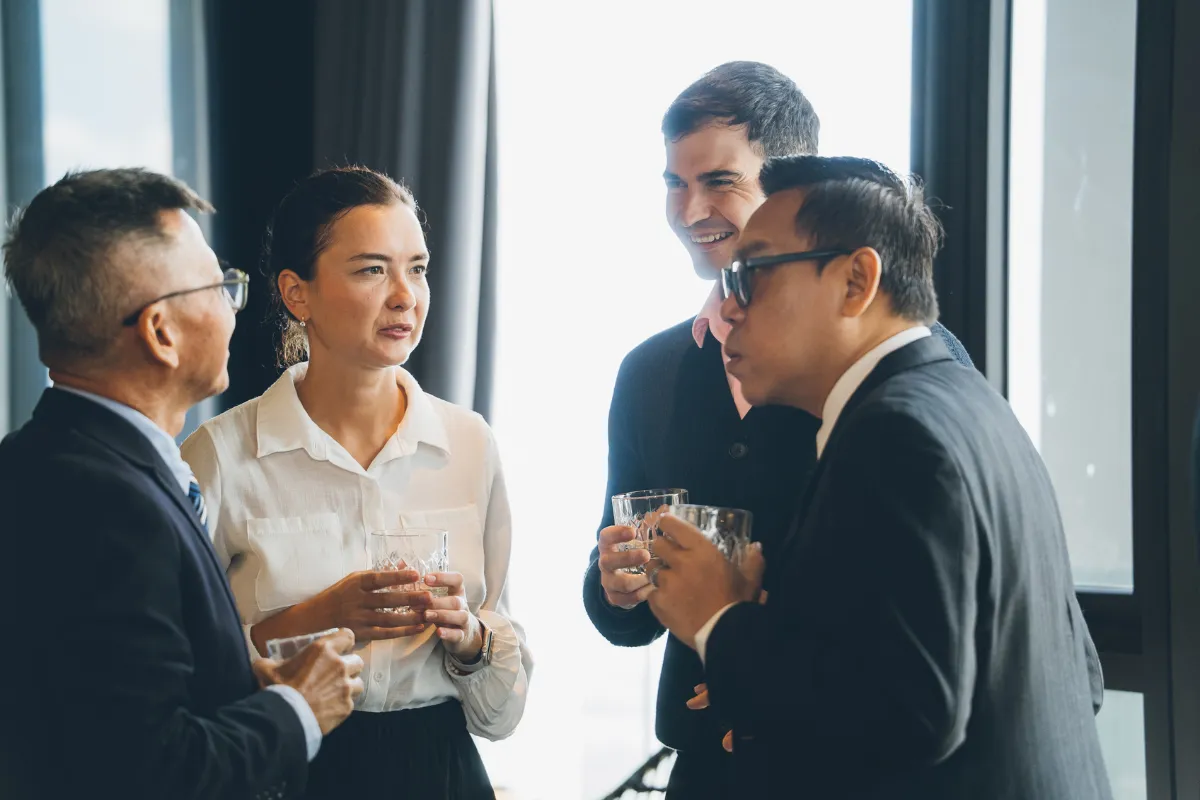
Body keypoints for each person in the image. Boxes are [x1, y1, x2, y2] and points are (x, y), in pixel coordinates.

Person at [646, 155, 1112, 798]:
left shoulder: (895, 437)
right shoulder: (971, 405)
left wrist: (718, 617)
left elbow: (907, 717)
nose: (729, 306)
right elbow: (1076, 674)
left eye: (751, 274)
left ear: (855, 281)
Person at [580, 61, 973, 797]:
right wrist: (617, 588)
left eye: (718, 181)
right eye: (674, 182)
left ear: (788, 190)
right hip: (702, 769)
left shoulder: (883, 372)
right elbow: (621, 613)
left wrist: (745, 647)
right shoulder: (650, 373)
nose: (691, 208)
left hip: (835, 764)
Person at [0, 168, 365, 799]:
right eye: (220, 285)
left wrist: (235, 683)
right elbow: (152, 771)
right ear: (161, 333)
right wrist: (301, 709)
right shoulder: (105, 504)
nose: (232, 304)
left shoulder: (41, 463)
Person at [181, 165, 531, 799]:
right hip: (289, 771)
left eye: (417, 268)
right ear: (297, 294)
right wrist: (321, 616)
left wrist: (472, 639)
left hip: (443, 773)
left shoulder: (469, 445)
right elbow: (188, 680)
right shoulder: (222, 457)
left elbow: (500, 715)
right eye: (372, 269)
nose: (405, 296)